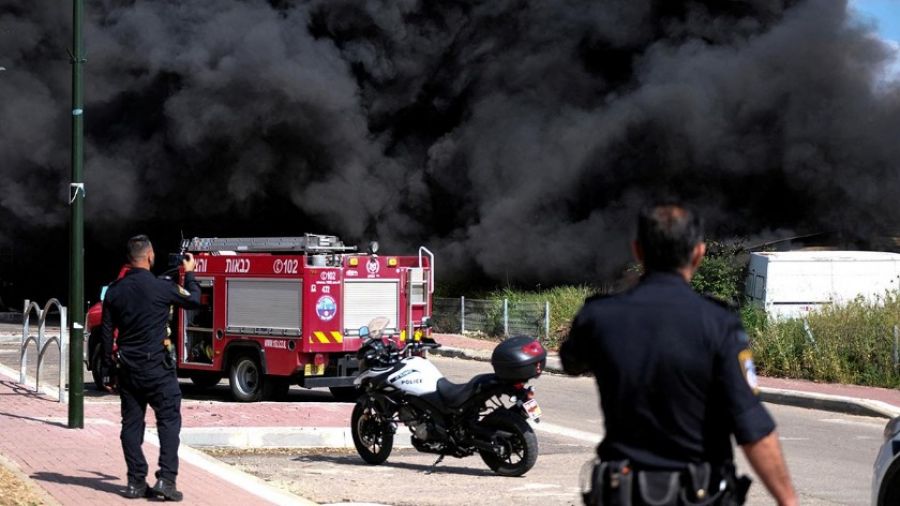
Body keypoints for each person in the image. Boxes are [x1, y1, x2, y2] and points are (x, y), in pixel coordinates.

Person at [560, 204, 797, 506]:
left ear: (637, 251)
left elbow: (571, 362)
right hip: (698, 495)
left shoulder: (599, 316)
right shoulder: (718, 323)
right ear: (698, 253)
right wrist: (788, 500)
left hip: (624, 494)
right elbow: (752, 426)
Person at [101, 235, 201, 501]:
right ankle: (166, 480)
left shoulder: (114, 291)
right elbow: (194, 299)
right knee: (168, 421)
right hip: (158, 369)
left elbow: (107, 334)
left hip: (128, 370)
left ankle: (135, 482)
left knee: (131, 425)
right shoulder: (161, 287)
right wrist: (189, 274)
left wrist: (109, 370)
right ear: (149, 256)